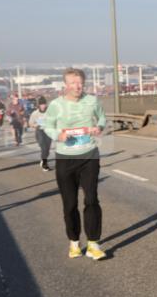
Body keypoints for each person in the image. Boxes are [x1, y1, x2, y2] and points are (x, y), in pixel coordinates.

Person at [43, 68, 108, 261]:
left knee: (91, 200)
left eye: (80, 82)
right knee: (70, 204)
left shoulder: (92, 101)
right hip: (65, 158)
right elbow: (47, 126)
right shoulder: (56, 105)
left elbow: (102, 118)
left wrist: (99, 127)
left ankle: (93, 244)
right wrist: (59, 135)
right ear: (65, 85)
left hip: (89, 156)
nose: (77, 86)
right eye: (73, 83)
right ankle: (73, 241)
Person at [27, 96, 52, 171]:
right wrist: (36, 125)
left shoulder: (50, 112)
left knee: (47, 149)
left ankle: (43, 160)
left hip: (48, 131)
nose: (43, 106)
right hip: (39, 131)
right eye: (41, 104)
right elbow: (30, 123)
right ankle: (45, 164)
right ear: (39, 105)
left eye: (44, 104)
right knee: (44, 148)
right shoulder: (35, 113)